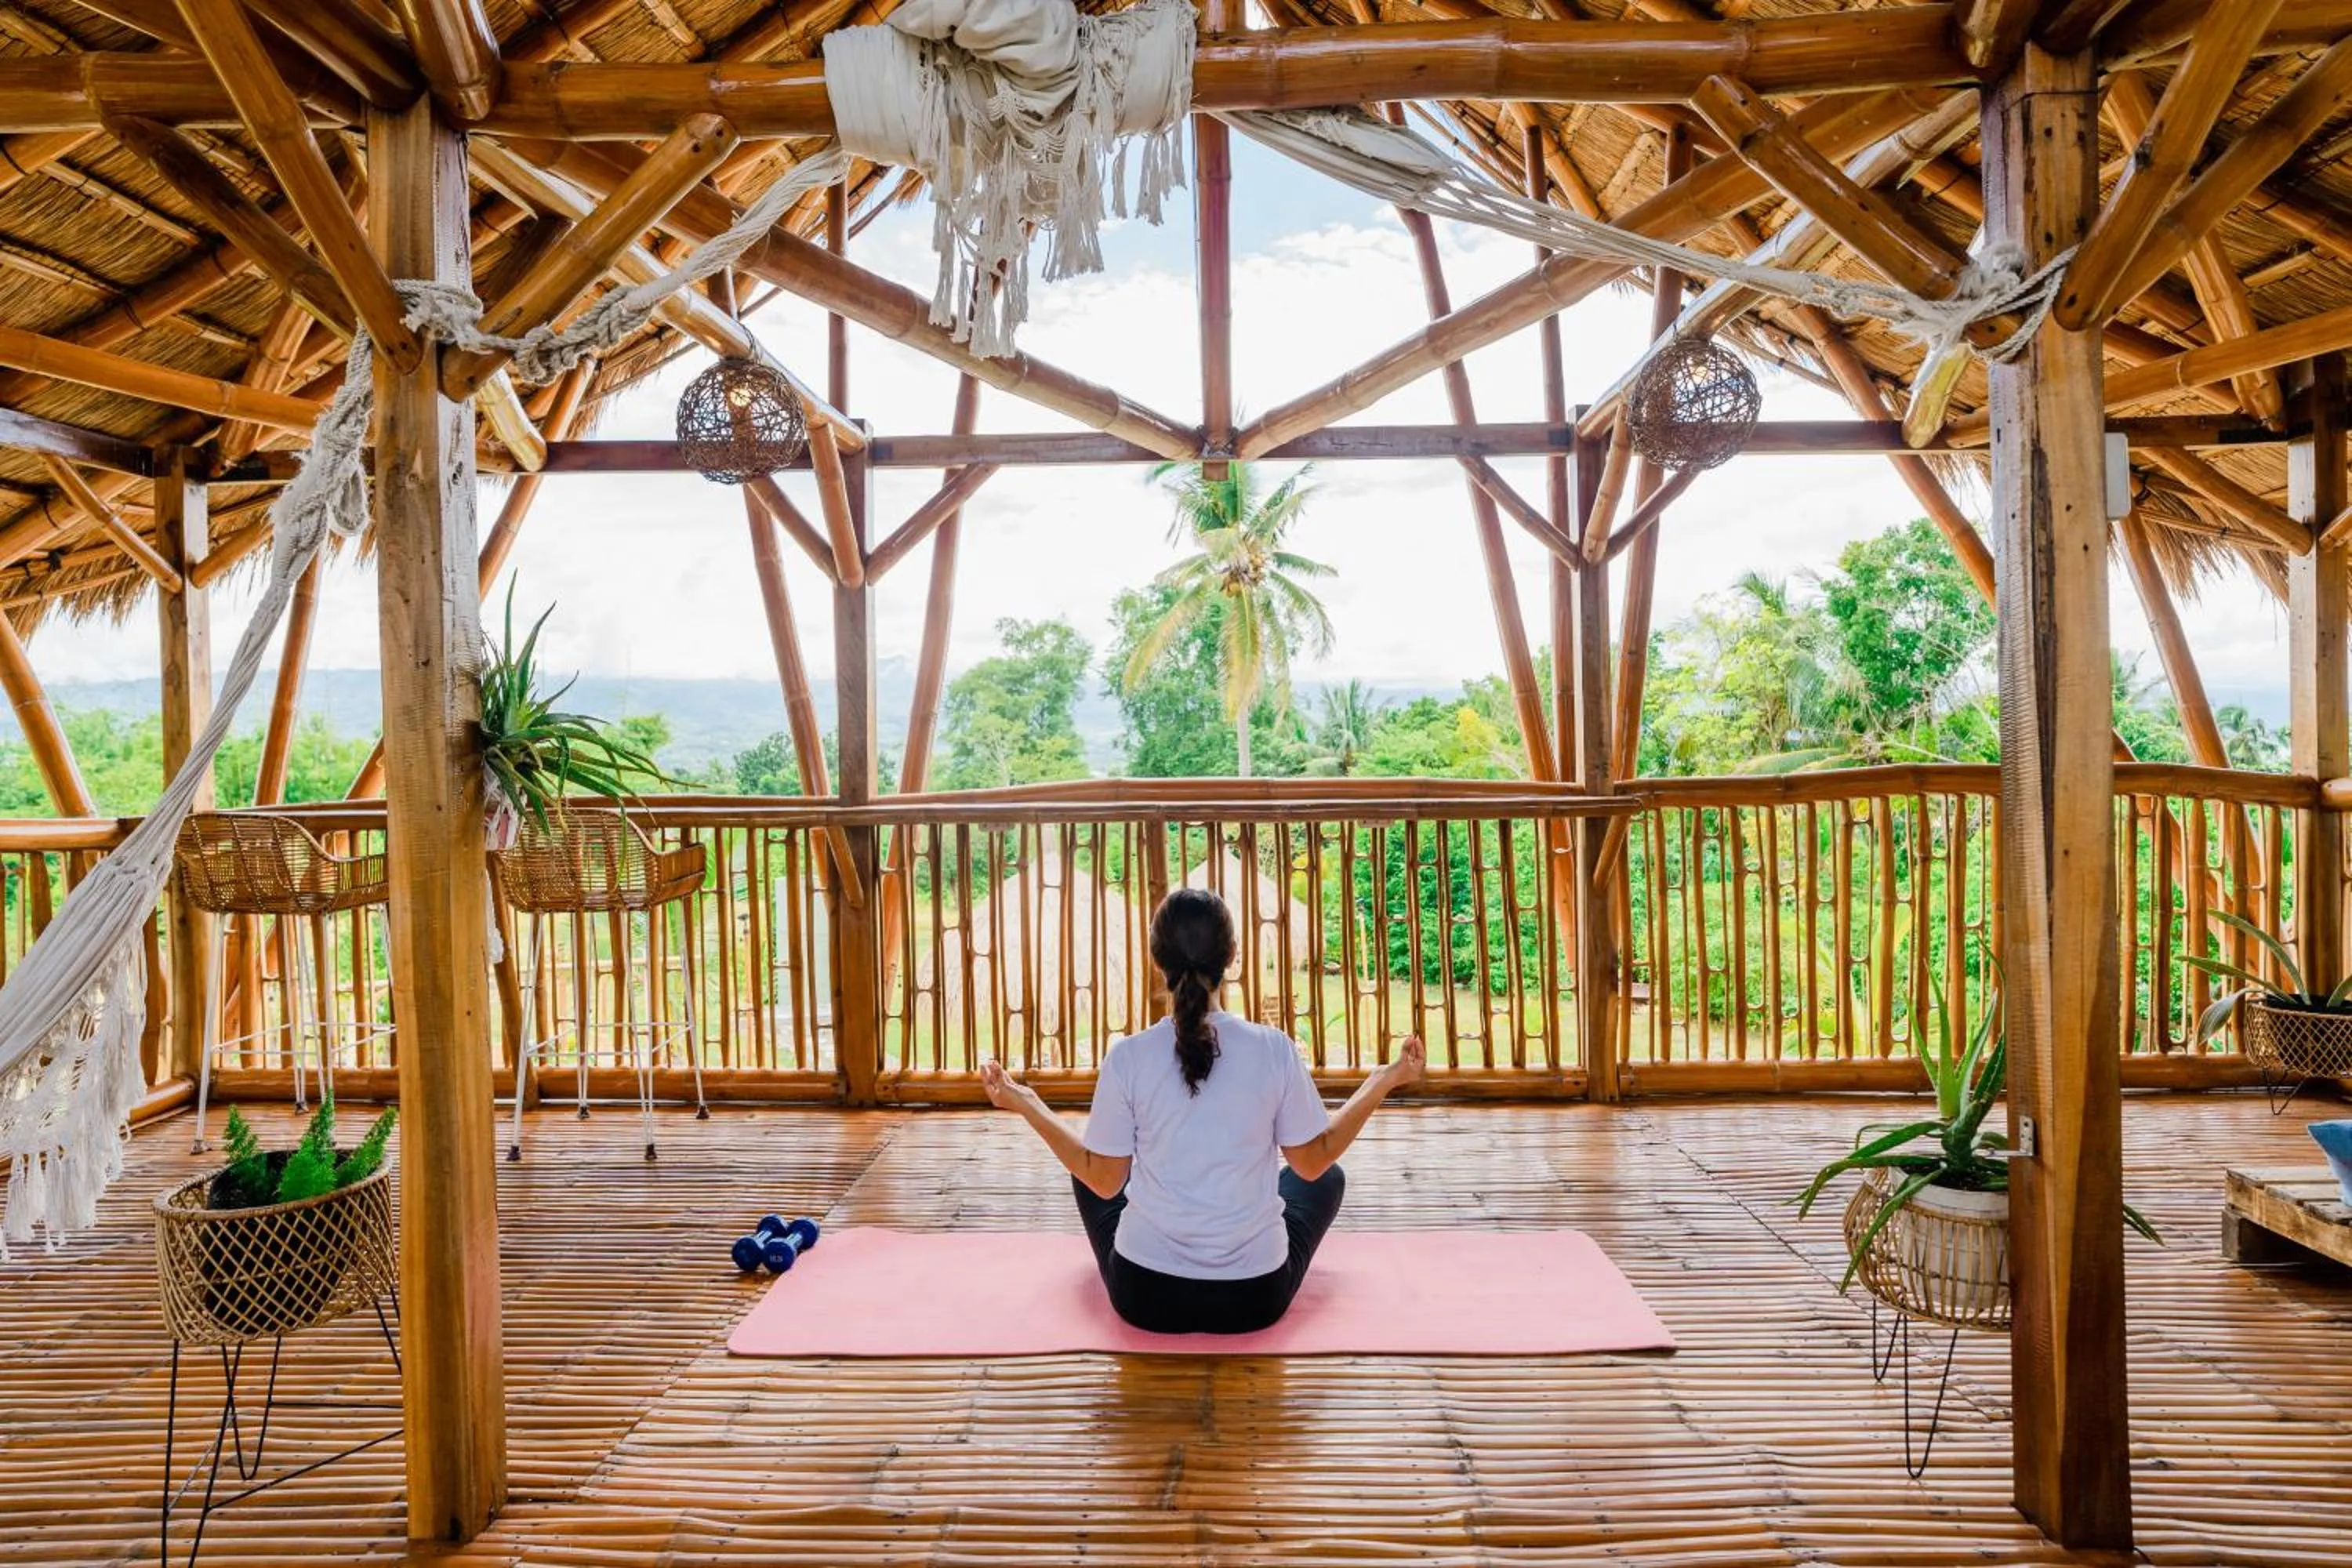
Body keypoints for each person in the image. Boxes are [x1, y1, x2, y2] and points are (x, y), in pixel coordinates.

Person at [980, 885, 1425, 1334]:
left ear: (1157, 960)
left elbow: (1104, 1179)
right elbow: (1312, 1163)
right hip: (1254, 1297)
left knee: (1089, 1167)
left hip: (1145, 1295)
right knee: (1328, 1177)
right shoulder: (1273, 1050)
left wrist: (1026, 1102)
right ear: (1232, 955)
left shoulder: (1129, 1057)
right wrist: (1383, 1079)